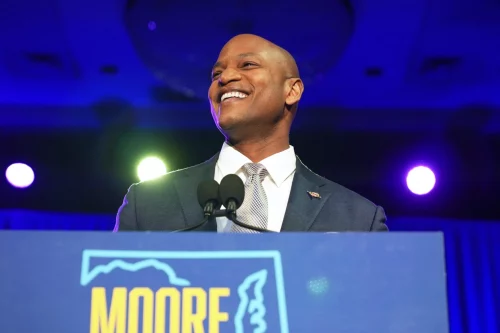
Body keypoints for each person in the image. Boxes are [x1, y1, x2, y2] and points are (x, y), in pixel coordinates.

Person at [115, 34, 388, 232]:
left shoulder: (358, 219)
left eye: (247, 65)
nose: (225, 77)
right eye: (215, 74)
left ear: (291, 91)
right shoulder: (147, 203)